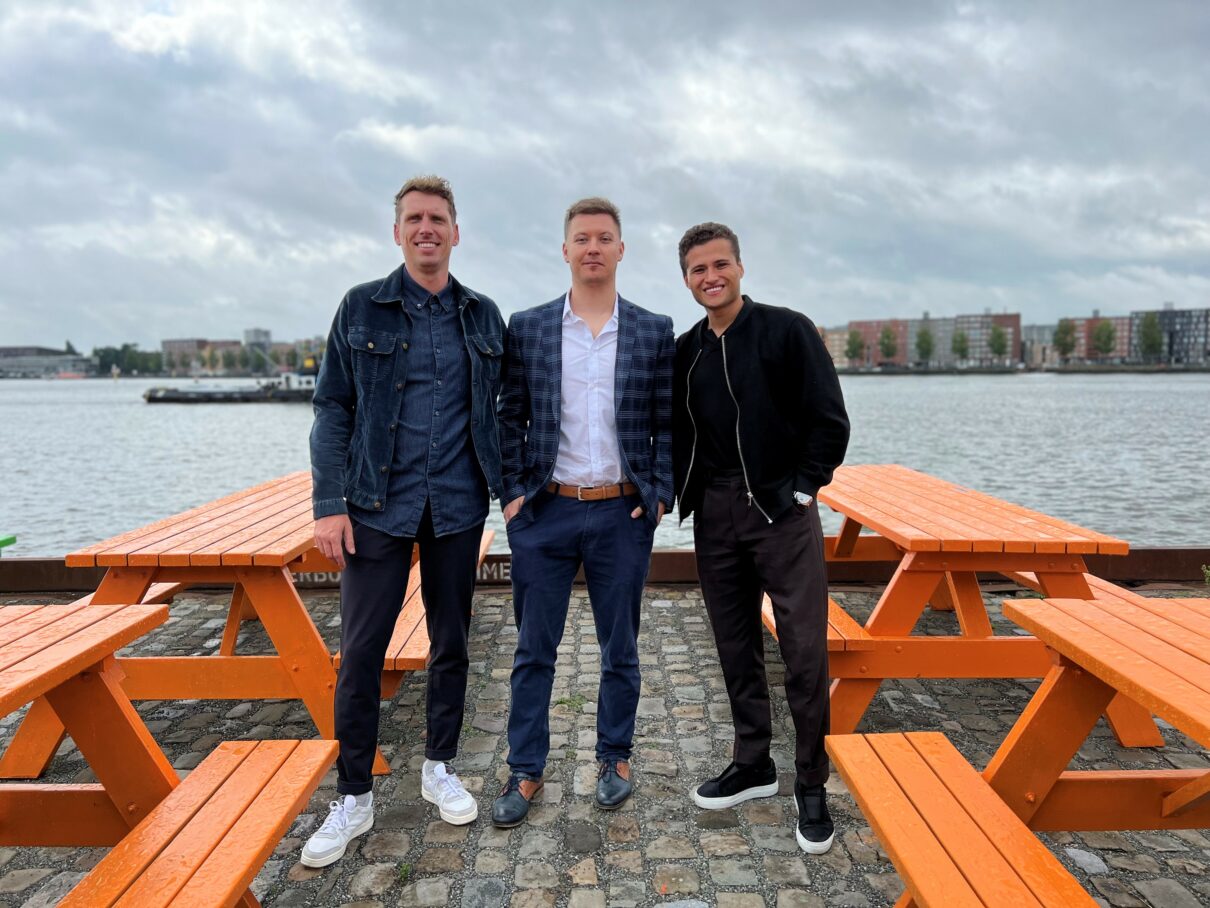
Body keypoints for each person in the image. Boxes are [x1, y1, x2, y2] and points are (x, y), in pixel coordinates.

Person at [303, 175, 505, 867]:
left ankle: (439, 766)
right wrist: (329, 504)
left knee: (452, 643)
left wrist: (513, 489)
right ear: (398, 232)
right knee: (361, 651)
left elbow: (505, 410)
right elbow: (332, 408)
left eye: (437, 219)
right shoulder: (361, 306)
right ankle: (353, 794)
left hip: (457, 504)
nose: (426, 229)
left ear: (455, 232)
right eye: (415, 219)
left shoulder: (482, 315)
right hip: (375, 505)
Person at [492, 197, 674, 827]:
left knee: (620, 648)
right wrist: (512, 495)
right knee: (532, 650)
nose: (592, 247)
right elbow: (509, 415)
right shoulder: (529, 327)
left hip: (622, 512)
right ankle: (525, 769)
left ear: (621, 249)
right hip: (546, 511)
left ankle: (615, 758)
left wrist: (658, 495)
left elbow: (665, 422)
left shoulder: (652, 330)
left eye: (603, 237)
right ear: (565, 249)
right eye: (582, 238)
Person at [672, 222, 849, 854]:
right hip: (715, 511)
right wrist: (672, 492)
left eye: (720, 264)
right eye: (698, 269)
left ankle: (811, 782)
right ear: (686, 279)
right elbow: (677, 431)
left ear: (740, 267)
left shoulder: (787, 330)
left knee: (803, 649)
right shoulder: (686, 349)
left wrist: (803, 488)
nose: (710, 277)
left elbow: (829, 418)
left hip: (780, 511)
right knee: (734, 642)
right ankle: (753, 762)